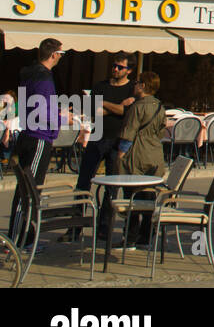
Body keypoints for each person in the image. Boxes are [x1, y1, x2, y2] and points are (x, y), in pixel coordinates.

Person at [74, 55, 136, 237]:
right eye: (114, 66)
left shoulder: (132, 88)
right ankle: (75, 227)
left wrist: (106, 105)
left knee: (112, 186)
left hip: (117, 141)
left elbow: (127, 112)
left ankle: (104, 229)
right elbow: (92, 110)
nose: (115, 69)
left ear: (129, 71)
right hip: (97, 138)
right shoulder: (100, 86)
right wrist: (117, 107)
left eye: (120, 67)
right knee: (83, 183)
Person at [8, 38, 63, 242]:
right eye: (60, 54)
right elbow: (41, 109)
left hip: (29, 133)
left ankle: (24, 238)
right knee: (29, 190)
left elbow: (27, 105)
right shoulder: (42, 76)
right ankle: (18, 239)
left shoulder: (29, 73)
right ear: (53, 55)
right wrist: (60, 117)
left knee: (27, 188)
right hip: (38, 135)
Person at [119, 71, 168, 246]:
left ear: (144, 86)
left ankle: (130, 236)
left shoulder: (138, 107)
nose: (134, 85)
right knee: (149, 195)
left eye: (137, 82)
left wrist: (120, 155)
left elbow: (128, 133)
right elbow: (162, 130)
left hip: (138, 152)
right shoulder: (159, 106)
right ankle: (146, 235)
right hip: (155, 152)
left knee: (132, 196)